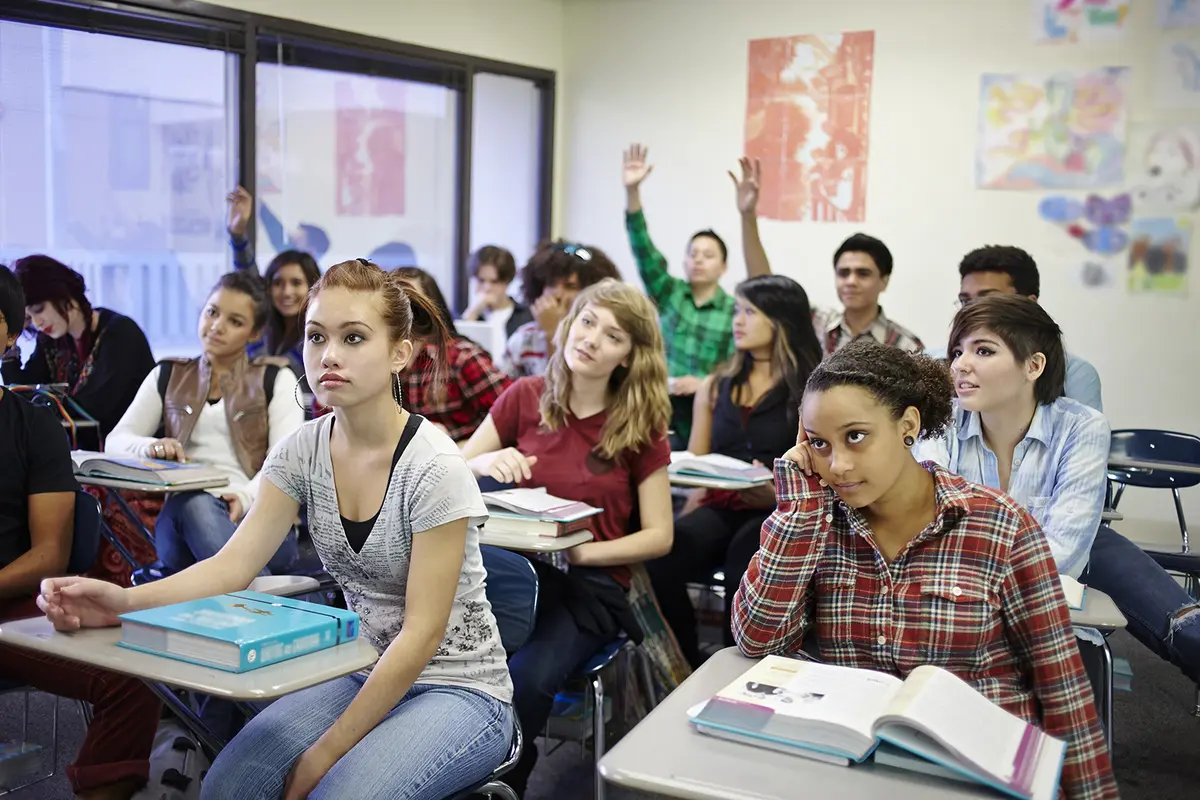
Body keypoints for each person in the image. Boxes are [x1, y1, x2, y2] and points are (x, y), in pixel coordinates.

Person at [38, 259, 515, 800]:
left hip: (459, 688)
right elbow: (231, 566)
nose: (329, 355)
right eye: (317, 337)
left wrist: (324, 753)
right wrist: (121, 602)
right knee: (227, 786)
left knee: (333, 794)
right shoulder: (301, 451)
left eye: (354, 337)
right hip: (365, 666)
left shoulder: (435, 467)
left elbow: (422, 634)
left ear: (399, 354)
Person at [732, 338, 1117, 799]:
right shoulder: (818, 521)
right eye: (818, 443)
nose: (838, 464)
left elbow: (1062, 688)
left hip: (976, 775)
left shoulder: (998, 527)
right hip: (852, 772)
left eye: (856, 436)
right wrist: (799, 509)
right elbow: (758, 638)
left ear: (907, 426)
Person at [915, 294, 1200, 683]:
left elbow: (1063, 549)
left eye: (983, 350)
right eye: (957, 351)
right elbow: (927, 519)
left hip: (1038, 599)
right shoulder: (943, 421)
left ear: (1033, 365)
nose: (961, 365)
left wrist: (974, 569)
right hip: (958, 606)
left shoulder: (1081, 427)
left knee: (1182, 629)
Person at [462, 279, 674, 795]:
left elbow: (660, 536)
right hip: (514, 578)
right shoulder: (524, 396)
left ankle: (500, 779)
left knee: (527, 679)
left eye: (614, 335)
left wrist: (583, 551)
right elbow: (450, 471)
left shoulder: (639, 423)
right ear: (569, 324)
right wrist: (485, 461)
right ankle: (455, 767)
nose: (592, 339)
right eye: (587, 322)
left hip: (588, 589)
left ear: (628, 356)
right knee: (457, 666)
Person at [0, 266, 160, 800]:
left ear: (6, 332)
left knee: (132, 679)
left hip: (12, 606)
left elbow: (49, 554)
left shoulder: (32, 422)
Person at [646, 275, 822, 667]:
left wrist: (777, 492)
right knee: (662, 557)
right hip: (721, 502)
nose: (737, 321)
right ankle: (688, 666)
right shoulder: (716, 384)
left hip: (778, 509)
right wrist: (693, 497)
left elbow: (822, 465)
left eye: (749, 312)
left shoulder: (811, 387)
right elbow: (696, 459)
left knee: (746, 560)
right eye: (737, 311)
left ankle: (738, 669)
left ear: (781, 320)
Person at [105, 272, 303, 578]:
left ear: (255, 333)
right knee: (193, 502)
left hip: (257, 520)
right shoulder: (168, 374)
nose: (216, 326)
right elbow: (115, 441)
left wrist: (244, 498)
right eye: (212, 312)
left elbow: (286, 464)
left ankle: (242, 593)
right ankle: (266, 604)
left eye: (235, 321)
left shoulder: (275, 379)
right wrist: (150, 446)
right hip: (181, 523)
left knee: (200, 511)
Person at [731, 157, 924, 356]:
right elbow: (765, 290)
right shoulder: (815, 324)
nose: (851, 281)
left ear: (884, 281)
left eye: (863, 274)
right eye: (843, 273)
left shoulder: (905, 346)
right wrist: (748, 216)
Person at [622, 144, 736, 444]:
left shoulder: (734, 311)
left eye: (708, 255)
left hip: (706, 413)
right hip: (656, 407)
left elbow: (737, 367)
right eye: (693, 253)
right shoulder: (669, 292)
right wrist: (632, 193)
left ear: (723, 267)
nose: (698, 259)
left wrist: (705, 384)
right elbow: (642, 249)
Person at [0, 256, 155, 440]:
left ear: (61, 293)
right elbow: (21, 394)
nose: (37, 323)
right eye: (28, 318)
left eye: (39, 309)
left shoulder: (120, 333)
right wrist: (10, 337)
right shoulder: (51, 341)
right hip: (78, 455)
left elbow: (94, 406)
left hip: (124, 454)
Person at [942, 244, 1103, 411]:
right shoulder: (937, 362)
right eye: (965, 301)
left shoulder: (1076, 375)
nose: (972, 310)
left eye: (989, 299)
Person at [393, 267, 512, 442]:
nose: (402, 311)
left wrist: (466, 449)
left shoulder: (461, 357)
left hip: (467, 460)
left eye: (411, 302)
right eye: (394, 302)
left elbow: (514, 410)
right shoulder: (380, 363)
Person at [500, 240, 622, 379]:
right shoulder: (523, 338)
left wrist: (552, 332)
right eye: (551, 284)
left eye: (570, 286)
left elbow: (570, 390)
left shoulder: (595, 341)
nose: (557, 294)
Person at [459, 245, 534, 338]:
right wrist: (473, 313)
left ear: (507, 282)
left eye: (494, 282)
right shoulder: (465, 315)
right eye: (481, 281)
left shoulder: (526, 316)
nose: (487, 287)